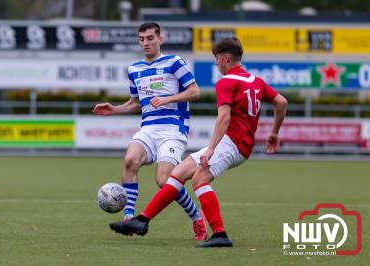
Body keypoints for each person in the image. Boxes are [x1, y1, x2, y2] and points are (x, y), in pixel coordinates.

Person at [109, 37, 288, 248]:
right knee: (177, 174)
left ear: (226, 58)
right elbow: (281, 101)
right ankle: (142, 220)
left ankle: (220, 233)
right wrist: (274, 132)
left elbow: (224, 118)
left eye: (216, 59)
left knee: (200, 179)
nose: (216, 63)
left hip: (232, 144)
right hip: (240, 144)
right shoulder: (255, 81)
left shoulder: (226, 82)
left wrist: (211, 148)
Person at [93, 22, 207, 240]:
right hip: (148, 129)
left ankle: (197, 216)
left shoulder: (174, 62)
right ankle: (128, 218)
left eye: (150, 38)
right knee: (130, 160)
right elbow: (137, 103)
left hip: (173, 128)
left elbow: (195, 92)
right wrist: (114, 109)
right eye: (142, 39)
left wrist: (168, 98)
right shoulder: (134, 69)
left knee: (164, 180)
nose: (145, 42)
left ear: (160, 39)